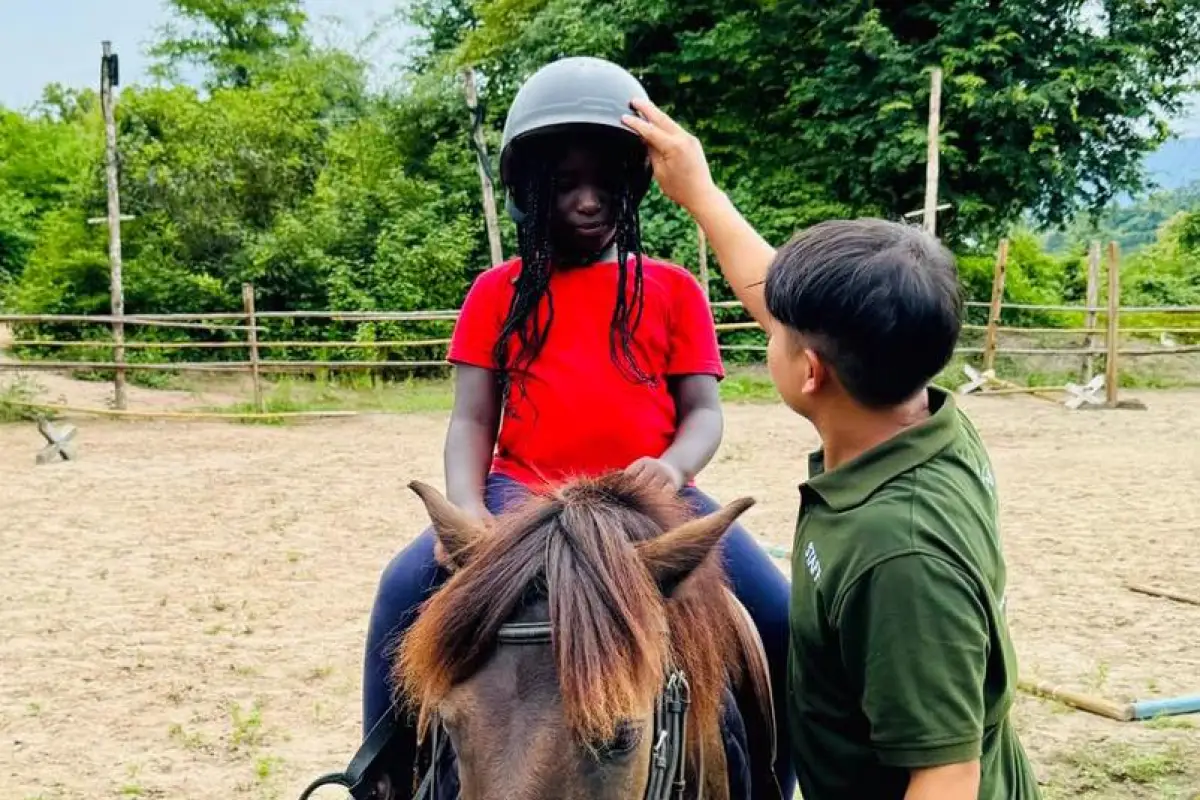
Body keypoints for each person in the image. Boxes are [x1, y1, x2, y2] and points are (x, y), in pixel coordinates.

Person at [361, 57, 796, 797]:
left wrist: (676, 465)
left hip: (648, 500)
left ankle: (775, 774)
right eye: (566, 185)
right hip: (518, 501)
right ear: (535, 191)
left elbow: (704, 412)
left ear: (630, 186)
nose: (588, 201)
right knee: (402, 584)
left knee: (777, 611)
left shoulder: (672, 289)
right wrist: (465, 505)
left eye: (603, 183)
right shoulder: (496, 294)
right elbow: (471, 419)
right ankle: (379, 775)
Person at [622, 101, 1042, 799]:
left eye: (776, 332)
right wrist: (699, 192)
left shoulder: (901, 556)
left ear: (811, 371)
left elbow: (946, 777)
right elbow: (782, 299)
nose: (767, 330)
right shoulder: (925, 420)